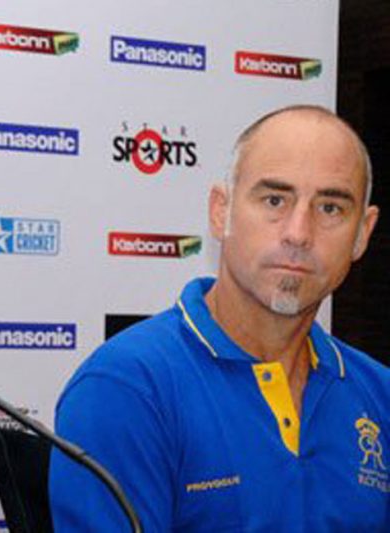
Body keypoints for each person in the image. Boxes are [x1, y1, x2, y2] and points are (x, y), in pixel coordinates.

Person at [50, 105, 387, 531]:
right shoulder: (126, 388)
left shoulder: (379, 393)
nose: (299, 233)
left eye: (331, 208)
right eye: (274, 200)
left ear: (362, 233)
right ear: (219, 210)